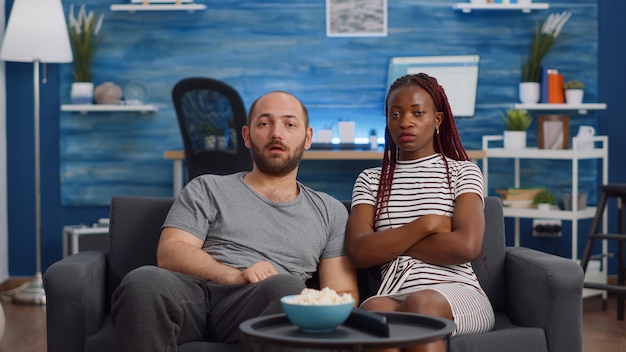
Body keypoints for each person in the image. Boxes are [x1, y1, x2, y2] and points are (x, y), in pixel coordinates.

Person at [111, 90, 358, 351]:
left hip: (265, 302)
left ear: (307, 137)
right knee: (144, 280)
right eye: (264, 123)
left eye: (289, 124)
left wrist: (310, 302)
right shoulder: (207, 187)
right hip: (195, 295)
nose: (276, 133)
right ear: (247, 136)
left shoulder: (329, 210)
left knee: (284, 286)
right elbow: (171, 252)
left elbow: (343, 292)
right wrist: (233, 275)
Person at [346, 73, 495, 352]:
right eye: (395, 114)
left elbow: (467, 246)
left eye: (417, 113)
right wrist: (427, 224)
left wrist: (390, 244)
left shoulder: (463, 172)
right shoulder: (369, 180)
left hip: (457, 292)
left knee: (421, 303)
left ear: (437, 119)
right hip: (392, 290)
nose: (405, 122)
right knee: (373, 310)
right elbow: (359, 252)